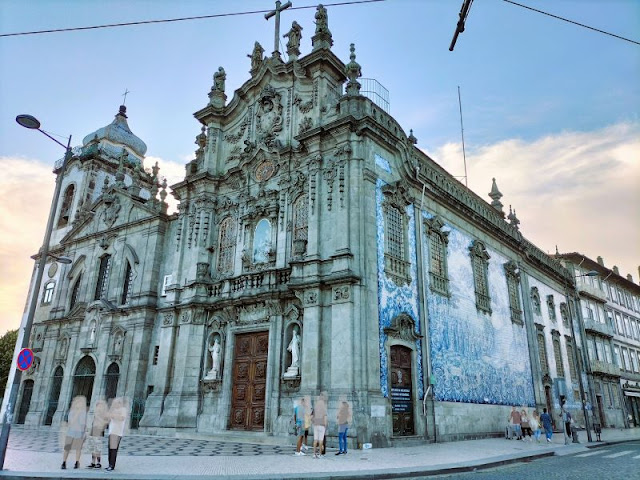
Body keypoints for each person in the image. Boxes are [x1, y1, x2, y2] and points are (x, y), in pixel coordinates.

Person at [61, 396, 87, 470]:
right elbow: (71, 422)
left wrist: (84, 434)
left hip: (79, 433)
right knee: (67, 448)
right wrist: (77, 413)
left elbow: (83, 424)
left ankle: (77, 462)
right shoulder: (71, 412)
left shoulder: (83, 413)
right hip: (71, 432)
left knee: (78, 449)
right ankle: (64, 462)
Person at [106, 397, 128, 471]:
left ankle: (112, 465)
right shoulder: (113, 410)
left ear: (120, 403)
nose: (115, 404)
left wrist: (114, 415)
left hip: (117, 432)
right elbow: (108, 418)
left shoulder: (123, 409)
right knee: (110, 448)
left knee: (114, 449)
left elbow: (122, 418)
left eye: (116, 402)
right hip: (111, 431)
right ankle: (109, 464)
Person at [87, 399, 109, 468]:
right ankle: (93, 462)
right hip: (94, 430)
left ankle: (99, 463)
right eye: (97, 405)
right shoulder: (96, 413)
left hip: (99, 430)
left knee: (97, 447)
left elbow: (106, 423)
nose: (98, 407)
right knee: (93, 447)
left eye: (99, 405)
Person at [311, 394, 327, 459]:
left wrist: (314, 422)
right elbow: (325, 417)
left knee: (315, 440)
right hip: (322, 425)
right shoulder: (324, 407)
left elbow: (311, 417)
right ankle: (320, 454)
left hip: (316, 425)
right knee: (321, 440)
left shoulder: (316, 407)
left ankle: (314, 454)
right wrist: (325, 425)